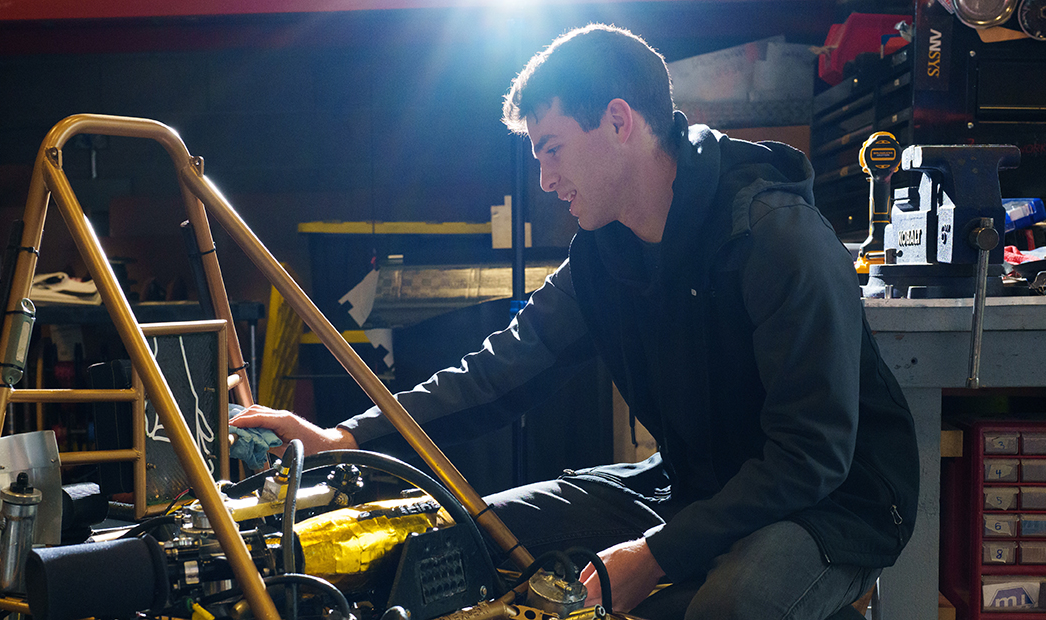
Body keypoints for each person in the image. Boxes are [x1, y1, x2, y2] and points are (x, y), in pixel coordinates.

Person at [232, 24, 919, 620]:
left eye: (552, 147)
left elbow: (811, 457)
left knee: (728, 607)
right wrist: (341, 437)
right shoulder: (604, 254)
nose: (544, 177)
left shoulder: (775, 238)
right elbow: (496, 375)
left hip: (834, 503)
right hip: (695, 485)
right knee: (479, 538)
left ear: (619, 122)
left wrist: (655, 556)